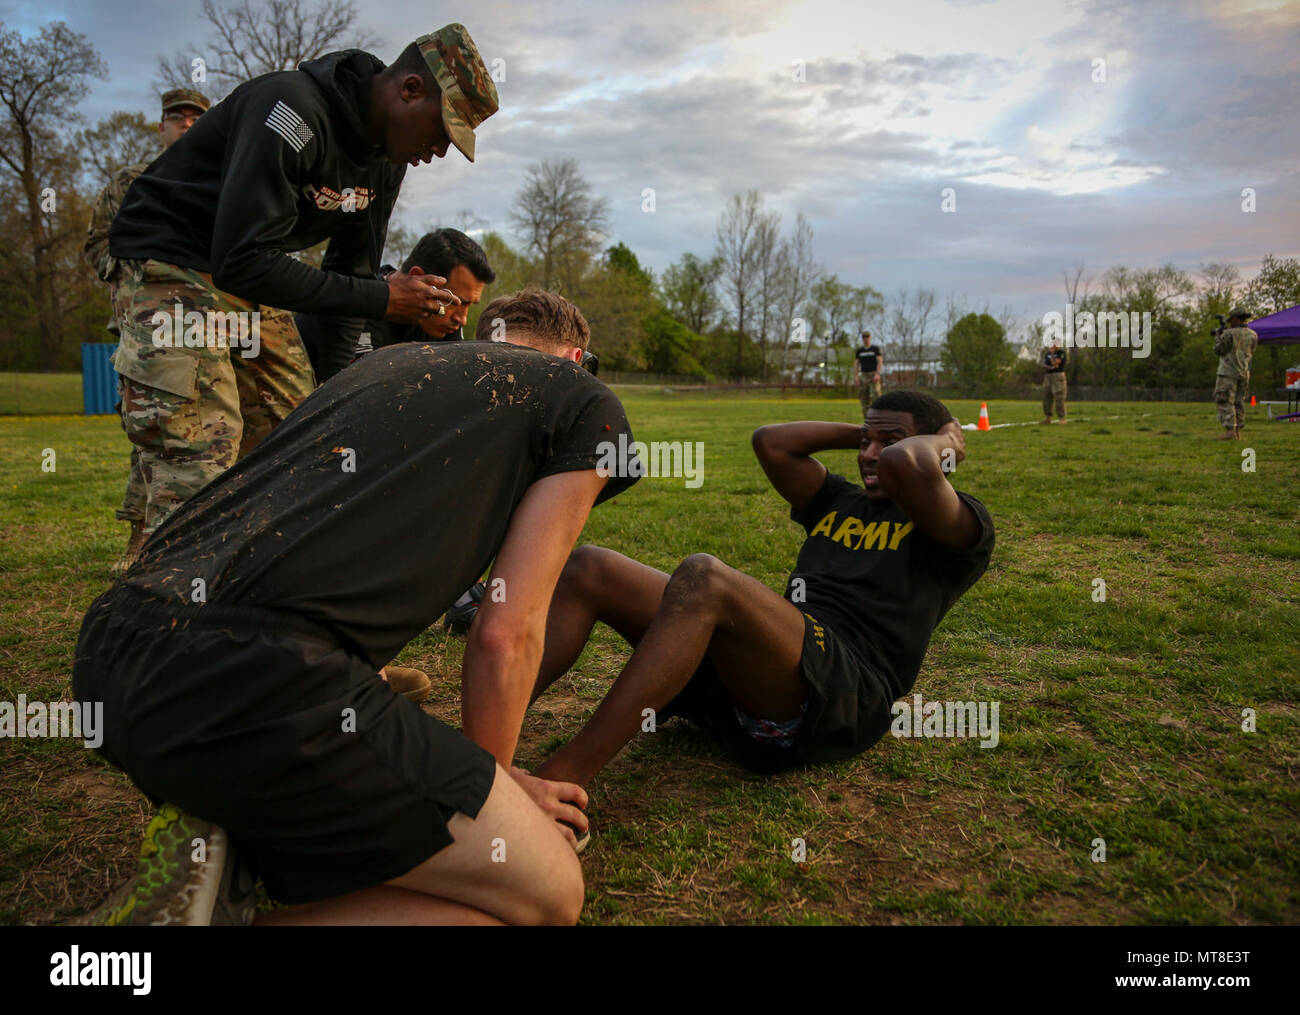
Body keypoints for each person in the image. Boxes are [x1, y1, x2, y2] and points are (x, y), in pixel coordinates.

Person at [72, 289, 637, 926]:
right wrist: (496, 790)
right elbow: (507, 632)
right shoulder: (582, 399)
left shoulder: (383, 366)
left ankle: (231, 834)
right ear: (578, 357)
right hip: (246, 684)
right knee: (548, 893)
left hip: (113, 655)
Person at [106, 23, 498, 539]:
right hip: (170, 258)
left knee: (303, 436)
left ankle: (253, 573)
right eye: (440, 129)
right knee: (201, 449)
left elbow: (350, 278)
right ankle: (168, 598)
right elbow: (243, 259)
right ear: (409, 89)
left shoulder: (385, 161)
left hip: (243, 272)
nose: (439, 150)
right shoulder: (290, 111)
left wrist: (348, 395)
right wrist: (383, 298)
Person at [529, 390, 994, 799]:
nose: (871, 454)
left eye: (889, 440)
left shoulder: (955, 525)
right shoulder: (839, 500)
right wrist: (871, 431)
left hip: (841, 696)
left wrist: (949, 441)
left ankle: (561, 780)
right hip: (765, 679)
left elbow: (905, 466)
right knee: (592, 566)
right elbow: (771, 441)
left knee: (705, 578)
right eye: (864, 442)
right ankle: (487, 740)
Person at [83, 87, 211, 569]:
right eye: (177, 118)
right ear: (161, 126)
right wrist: (130, 275)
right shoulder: (131, 181)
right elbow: (97, 243)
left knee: (207, 434)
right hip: (143, 326)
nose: (185, 125)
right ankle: (141, 538)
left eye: (196, 119)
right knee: (150, 430)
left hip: (206, 323)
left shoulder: (214, 180)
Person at [299, 227, 496, 381]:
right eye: (453, 303)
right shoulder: (355, 309)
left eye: (469, 305)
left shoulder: (443, 324)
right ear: (419, 279)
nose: (462, 319)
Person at [1214, 307, 1258, 440]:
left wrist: (1218, 336)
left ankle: (1229, 430)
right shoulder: (1253, 334)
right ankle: (1237, 430)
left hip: (1228, 371)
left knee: (1225, 399)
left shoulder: (1230, 334)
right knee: (1239, 401)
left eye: (1231, 319)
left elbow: (1219, 350)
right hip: (1244, 371)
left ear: (1236, 318)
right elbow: (1252, 351)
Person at [853, 332, 883, 416]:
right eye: (864, 337)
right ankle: (867, 417)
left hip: (873, 374)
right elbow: (856, 364)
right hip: (863, 375)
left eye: (867, 337)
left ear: (870, 338)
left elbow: (880, 361)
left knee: (875, 395)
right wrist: (856, 376)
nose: (866, 339)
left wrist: (877, 373)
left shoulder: (875, 349)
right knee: (864, 396)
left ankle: (878, 415)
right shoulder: (860, 351)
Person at [1041, 340, 1066, 423]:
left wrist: (1052, 354)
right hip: (1048, 376)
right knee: (1046, 396)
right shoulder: (1047, 353)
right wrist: (1050, 367)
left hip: (1058, 376)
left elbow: (1055, 363)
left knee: (1059, 397)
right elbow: (1044, 364)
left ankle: (1061, 418)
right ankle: (1048, 417)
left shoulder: (1061, 353)